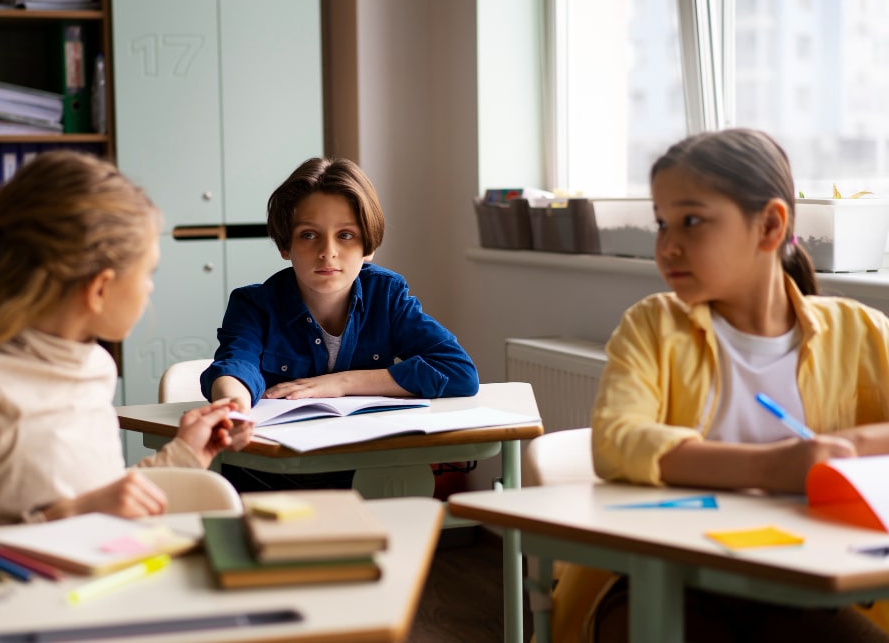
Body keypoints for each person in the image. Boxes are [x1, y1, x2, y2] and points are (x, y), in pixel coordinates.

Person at [549, 129, 889, 642]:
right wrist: (775, 467)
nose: (668, 244)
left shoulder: (861, 331)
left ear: (770, 226)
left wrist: (858, 445)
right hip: (668, 579)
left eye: (691, 221)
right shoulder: (653, 326)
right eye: (661, 223)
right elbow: (616, 442)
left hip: (807, 583)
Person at [0, 150, 252, 533]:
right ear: (99, 289)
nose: (150, 288)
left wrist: (188, 451)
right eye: (148, 273)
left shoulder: (94, 365)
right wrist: (67, 516)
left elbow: (102, 499)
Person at [200, 157, 479, 490]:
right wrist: (232, 408)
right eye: (308, 235)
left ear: (368, 246)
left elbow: (460, 372)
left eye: (345, 235)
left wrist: (342, 382)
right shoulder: (254, 305)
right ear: (285, 246)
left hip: (366, 471)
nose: (327, 251)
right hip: (271, 475)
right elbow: (236, 366)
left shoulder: (387, 296)